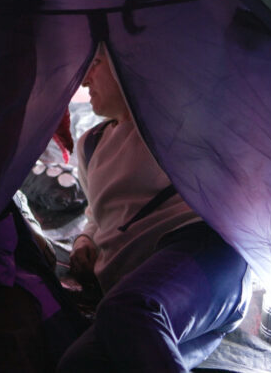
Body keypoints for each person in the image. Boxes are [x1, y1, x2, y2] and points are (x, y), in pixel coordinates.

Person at [57, 44, 250, 372]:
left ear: (126, 64)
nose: (85, 79)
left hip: (202, 258)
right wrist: (85, 239)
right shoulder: (90, 143)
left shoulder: (173, 121)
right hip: (149, 292)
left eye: (96, 63)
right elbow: (97, 214)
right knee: (79, 364)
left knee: (129, 308)